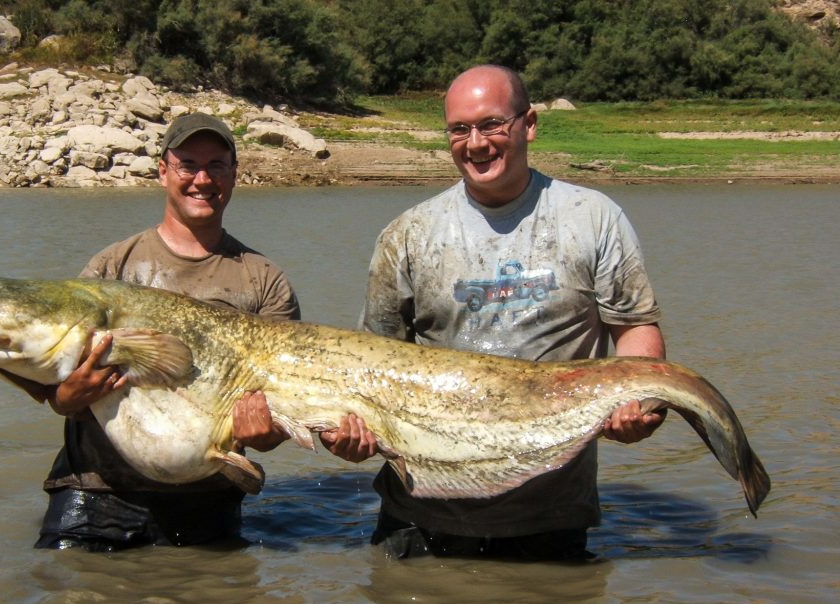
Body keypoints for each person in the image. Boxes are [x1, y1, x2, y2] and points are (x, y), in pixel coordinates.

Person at [324, 65, 666, 560]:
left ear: (528, 123)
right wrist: (352, 432)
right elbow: (370, 365)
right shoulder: (407, 234)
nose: (476, 143)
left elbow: (635, 332)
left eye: (491, 125)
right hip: (422, 515)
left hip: (550, 516)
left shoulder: (593, 218)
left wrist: (638, 402)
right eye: (460, 129)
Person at [34, 113, 300, 551]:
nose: (202, 179)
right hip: (95, 492)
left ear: (234, 174)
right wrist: (68, 397)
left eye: (217, 165)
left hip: (207, 496)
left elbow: (276, 421)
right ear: (162, 171)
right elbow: (61, 395)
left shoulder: (264, 280)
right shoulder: (111, 267)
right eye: (188, 164)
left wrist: (266, 432)